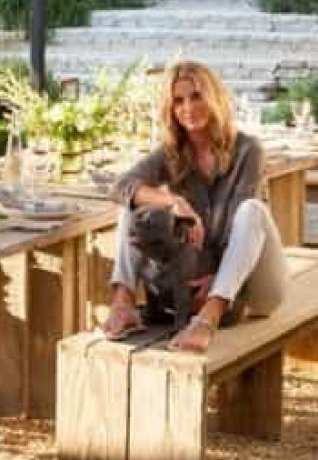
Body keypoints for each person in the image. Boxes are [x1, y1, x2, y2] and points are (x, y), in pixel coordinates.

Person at [104, 60, 288, 352]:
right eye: (179, 100)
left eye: (196, 96)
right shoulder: (171, 154)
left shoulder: (248, 150)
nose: (188, 108)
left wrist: (217, 279)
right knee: (131, 207)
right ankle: (122, 302)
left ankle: (208, 319)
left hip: (256, 286)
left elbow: (235, 233)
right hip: (200, 278)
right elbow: (120, 187)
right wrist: (174, 201)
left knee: (252, 210)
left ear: (214, 98)